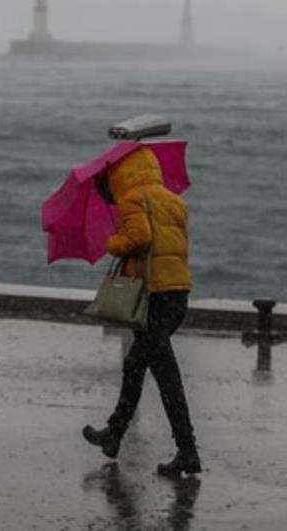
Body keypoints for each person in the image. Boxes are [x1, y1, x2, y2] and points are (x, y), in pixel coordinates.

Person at [82, 145, 201, 477]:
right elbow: (171, 244)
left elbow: (140, 237)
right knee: (142, 366)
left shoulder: (132, 199)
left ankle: (185, 450)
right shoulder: (174, 200)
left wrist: (113, 243)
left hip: (153, 297)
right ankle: (116, 434)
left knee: (159, 373)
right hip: (177, 293)